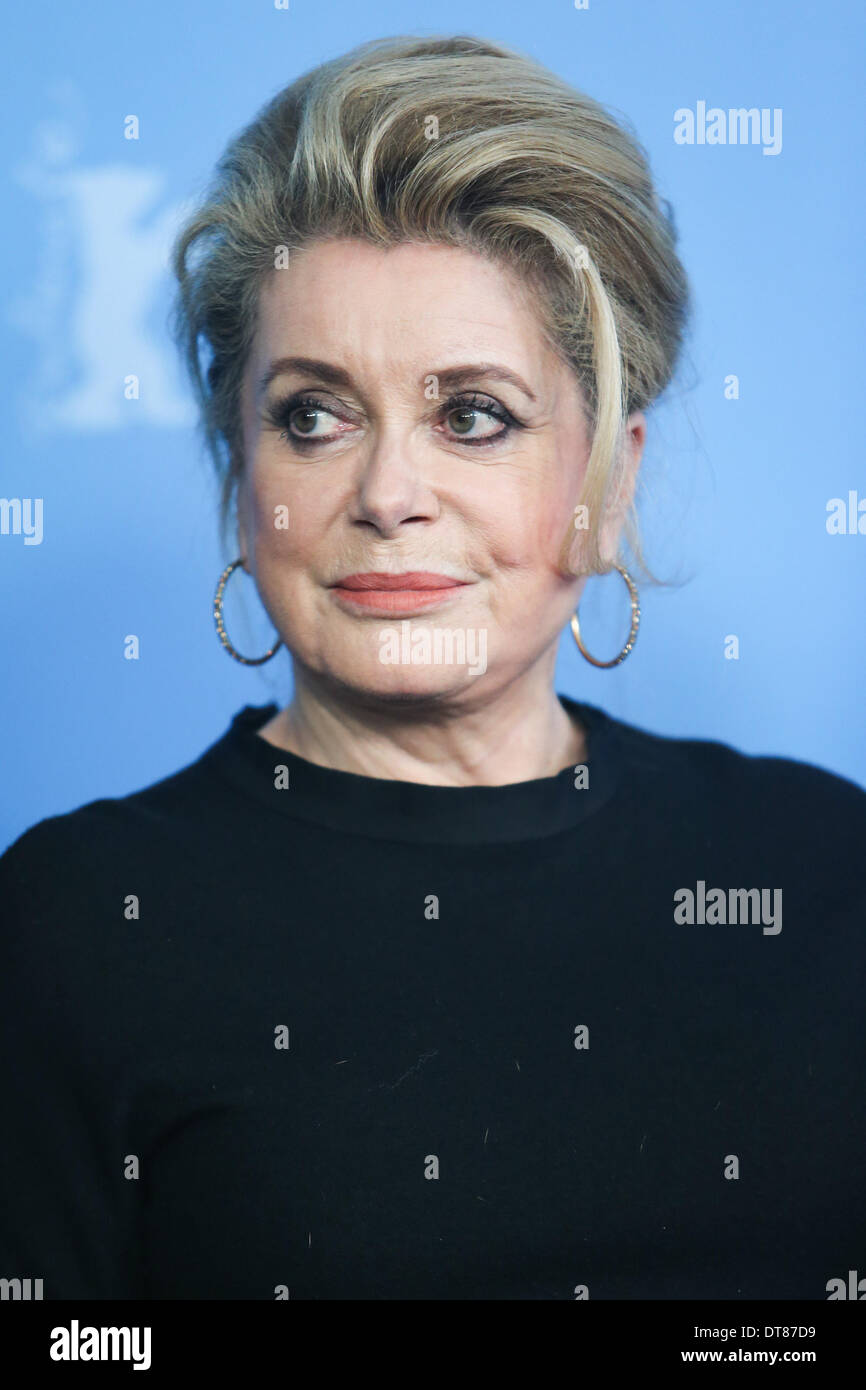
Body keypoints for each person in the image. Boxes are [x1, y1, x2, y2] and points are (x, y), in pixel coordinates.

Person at [1, 34, 863, 1301]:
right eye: (310, 413)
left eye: (472, 416)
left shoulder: (819, 864)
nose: (387, 493)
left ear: (607, 484)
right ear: (243, 474)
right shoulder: (73, 920)